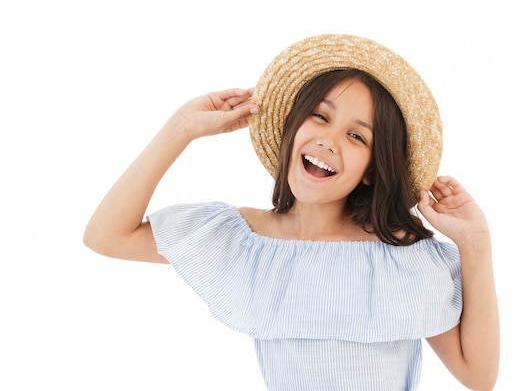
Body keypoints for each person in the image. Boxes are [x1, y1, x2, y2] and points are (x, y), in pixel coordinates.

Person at [83, 34, 499, 390]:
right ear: (291, 128)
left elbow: (478, 376)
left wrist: (475, 245)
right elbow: (106, 236)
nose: (329, 140)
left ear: (372, 171)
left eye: (357, 136)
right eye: (320, 116)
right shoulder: (243, 241)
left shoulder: (402, 259)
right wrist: (181, 128)